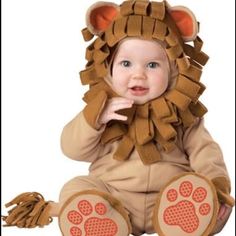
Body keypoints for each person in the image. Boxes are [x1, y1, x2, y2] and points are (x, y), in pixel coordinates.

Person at [3, 1, 234, 235]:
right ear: (108, 68)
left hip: (170, 197)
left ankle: (190, 216)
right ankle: (98, 220)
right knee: (76, 187)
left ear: (173, 69)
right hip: (113, 199)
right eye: (126, 63)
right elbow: (72, 149)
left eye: (153, 65)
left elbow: (206, 153)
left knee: (206, 196)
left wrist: (216, 186)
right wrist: (94, 120)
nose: (139, 74)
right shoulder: (103, 111)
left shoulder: (183, 115)